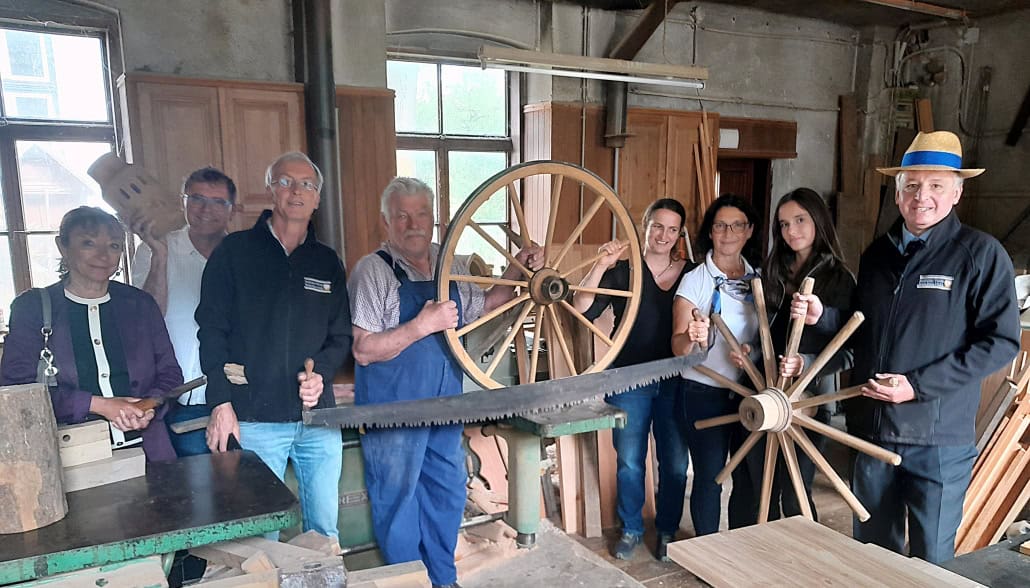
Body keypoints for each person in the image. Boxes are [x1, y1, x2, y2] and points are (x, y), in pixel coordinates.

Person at [820, 131, 1018, 563]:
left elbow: (1001, 342)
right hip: (873, 434)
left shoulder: (980, 255)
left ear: (957, 192)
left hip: (939, 441)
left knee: (932, 562)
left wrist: (917, 386)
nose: (921, 196)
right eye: (911, 185)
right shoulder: (876, 257)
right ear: (897, 194)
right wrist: (821, 317)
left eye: (935, 185)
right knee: (873, 556)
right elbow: (860, 332)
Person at [348, 177, 543, 588]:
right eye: (401, 215)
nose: (412, 223)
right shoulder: (373, 271)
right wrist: (421, 326)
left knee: (448, 492)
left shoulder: (448, 262)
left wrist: (518, 271)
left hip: (445, 405)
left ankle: (442, 578)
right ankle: (409, 584)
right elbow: (364, 349)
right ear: (386, 221)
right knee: (397, 502)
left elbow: (482, 306)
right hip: (392, 412)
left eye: (421, 213)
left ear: (434, 218)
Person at [196, 152, 352, 539]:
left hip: (318, 420)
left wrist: (323, 376)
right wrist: (220, 402)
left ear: (316, 199)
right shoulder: (233, 254)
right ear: (271, 191)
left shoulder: (326, 262)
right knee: (259, 535)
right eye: (286, 182)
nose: (296, 191)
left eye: (307, 185)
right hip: (254, 419)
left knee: (323, 531)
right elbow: (211, 331)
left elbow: (341, 336)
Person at [1, 206, 181, 462]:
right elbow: (17, 390)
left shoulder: (140, 305)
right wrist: (99, 405)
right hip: (70, 459)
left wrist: (149, 407)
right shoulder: (32, 308)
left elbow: (170, 374)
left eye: (114, 246)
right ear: (62, 247)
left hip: (150, 453)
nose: (102, 255)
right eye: (88, 243)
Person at [572, 198, 694, 561]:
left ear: (680, 234)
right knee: (629, 461)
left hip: (676, 378)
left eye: (673, 229)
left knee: (674, 463)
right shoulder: (625, 271)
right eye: (657, 226)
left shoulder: (692, 272)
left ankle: (668, 529)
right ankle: (631, 529)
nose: (664, 235)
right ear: (644, 225)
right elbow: (581, 307)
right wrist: (600, 265)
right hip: (628, 379)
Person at [730, 188, 856, 524]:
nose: (791, 231)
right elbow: (765, 332)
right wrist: (749, 349)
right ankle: (761, 564)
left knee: (795, 490)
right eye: (784, 224)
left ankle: (801, 564)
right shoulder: (772, 271)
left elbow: (852, 351)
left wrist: (807, 363)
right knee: (761, 487)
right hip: (764, 391)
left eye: (800, 220)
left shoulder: (840, 279)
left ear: (818, 220)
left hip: (808, 402)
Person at [670, 194, 761, 536]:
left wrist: (751, 350)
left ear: (749, 231)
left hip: (747, 395)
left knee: (748, 475)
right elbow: (677, 346)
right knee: (710, 476)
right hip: (702, 392)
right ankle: (708, 549)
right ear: (710, 231)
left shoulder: (757, 279)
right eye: (720, 225)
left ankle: (741, 545)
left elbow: (766, 334)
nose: (728, 233)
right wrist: (693, 336)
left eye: (737, 225)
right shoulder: (696, 280)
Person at [131, 167, 236, 457]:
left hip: (232, 397)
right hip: (173, 399)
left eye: (218, 202)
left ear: (232, 211)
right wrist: (160, 257)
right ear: (183, 202)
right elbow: (145, 319)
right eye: (197, 198)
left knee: (237, 490)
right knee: (191, 493)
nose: (206, 209)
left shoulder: (243, 255)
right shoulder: (155, 248)